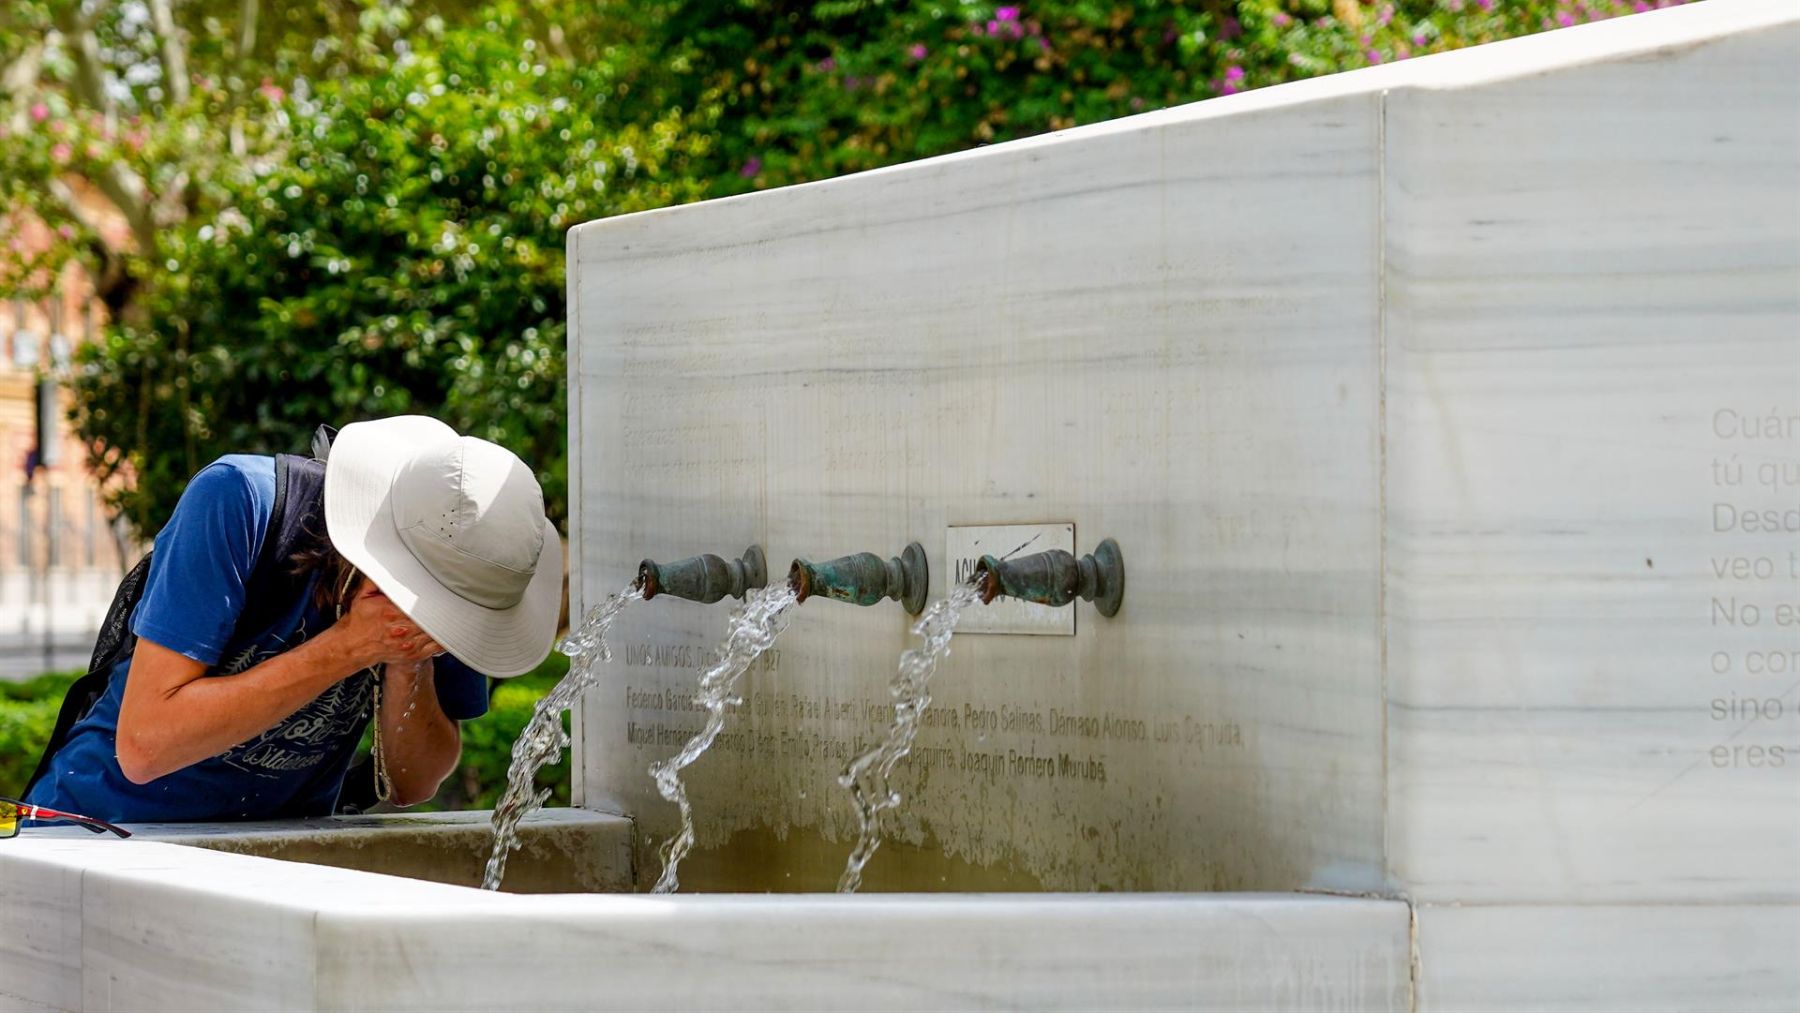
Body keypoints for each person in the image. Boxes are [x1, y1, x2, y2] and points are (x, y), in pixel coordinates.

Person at [24, 416, 562, 823]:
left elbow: (413, 781)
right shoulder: (241, 501)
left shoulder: (462, 562)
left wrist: (407, 661)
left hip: (266, 855)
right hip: (97, 831)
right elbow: (145, 746)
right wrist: (347, 648)